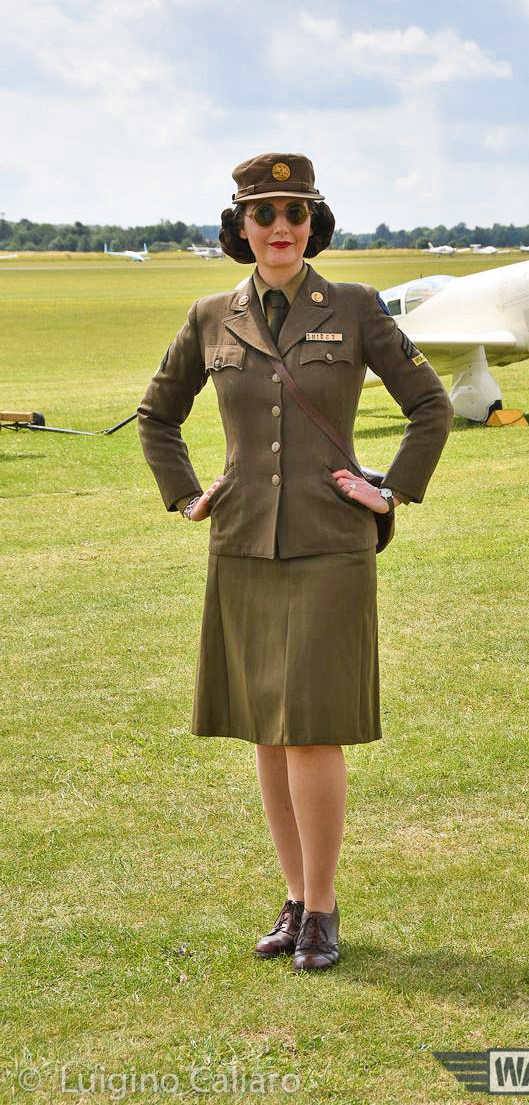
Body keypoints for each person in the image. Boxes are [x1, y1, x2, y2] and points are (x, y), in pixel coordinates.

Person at [137, 152, 453, 973]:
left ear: (315, 223)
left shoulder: (352, 307)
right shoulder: (211, 316)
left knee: (312, 731)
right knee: (268, 737)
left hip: (329, 547)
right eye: (265, 214)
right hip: (242, 546)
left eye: (296, 213)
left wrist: (393, 493)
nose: (281, 227)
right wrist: (185, 496)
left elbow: (430, 405)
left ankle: (322, 908)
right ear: (239, 228)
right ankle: (292, 898)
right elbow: (156, 416)